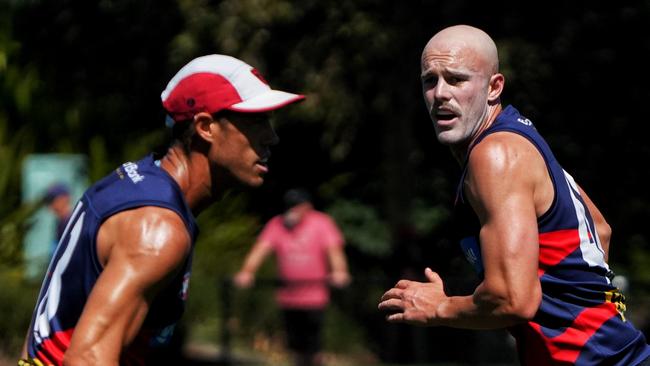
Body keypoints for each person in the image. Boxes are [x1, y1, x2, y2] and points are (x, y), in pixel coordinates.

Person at [377, 24, 650, 365]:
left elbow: (514, 300)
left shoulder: (495, 155)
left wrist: (440, 307)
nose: (440, 94)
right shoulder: (517, 137)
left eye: (457, 79)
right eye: (429, 80)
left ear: (494, 87)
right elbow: (599, 228)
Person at [20, 54, 304, 366]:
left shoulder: (138, 183)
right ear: (206, 127)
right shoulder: (158, 227)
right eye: (255, 121)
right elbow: (87, 358)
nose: (272, 137)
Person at [234, 188, 351, 366]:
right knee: (294, 348)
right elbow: (260, 250)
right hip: (288, 297)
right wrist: (247, 271)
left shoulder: (321, 223)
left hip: (314, 297)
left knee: (314, 348)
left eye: (296, 206)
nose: (292, 211)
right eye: (290, 206)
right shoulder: (277, 224)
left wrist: (339, 271)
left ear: (307, 207)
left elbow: (334, 251)